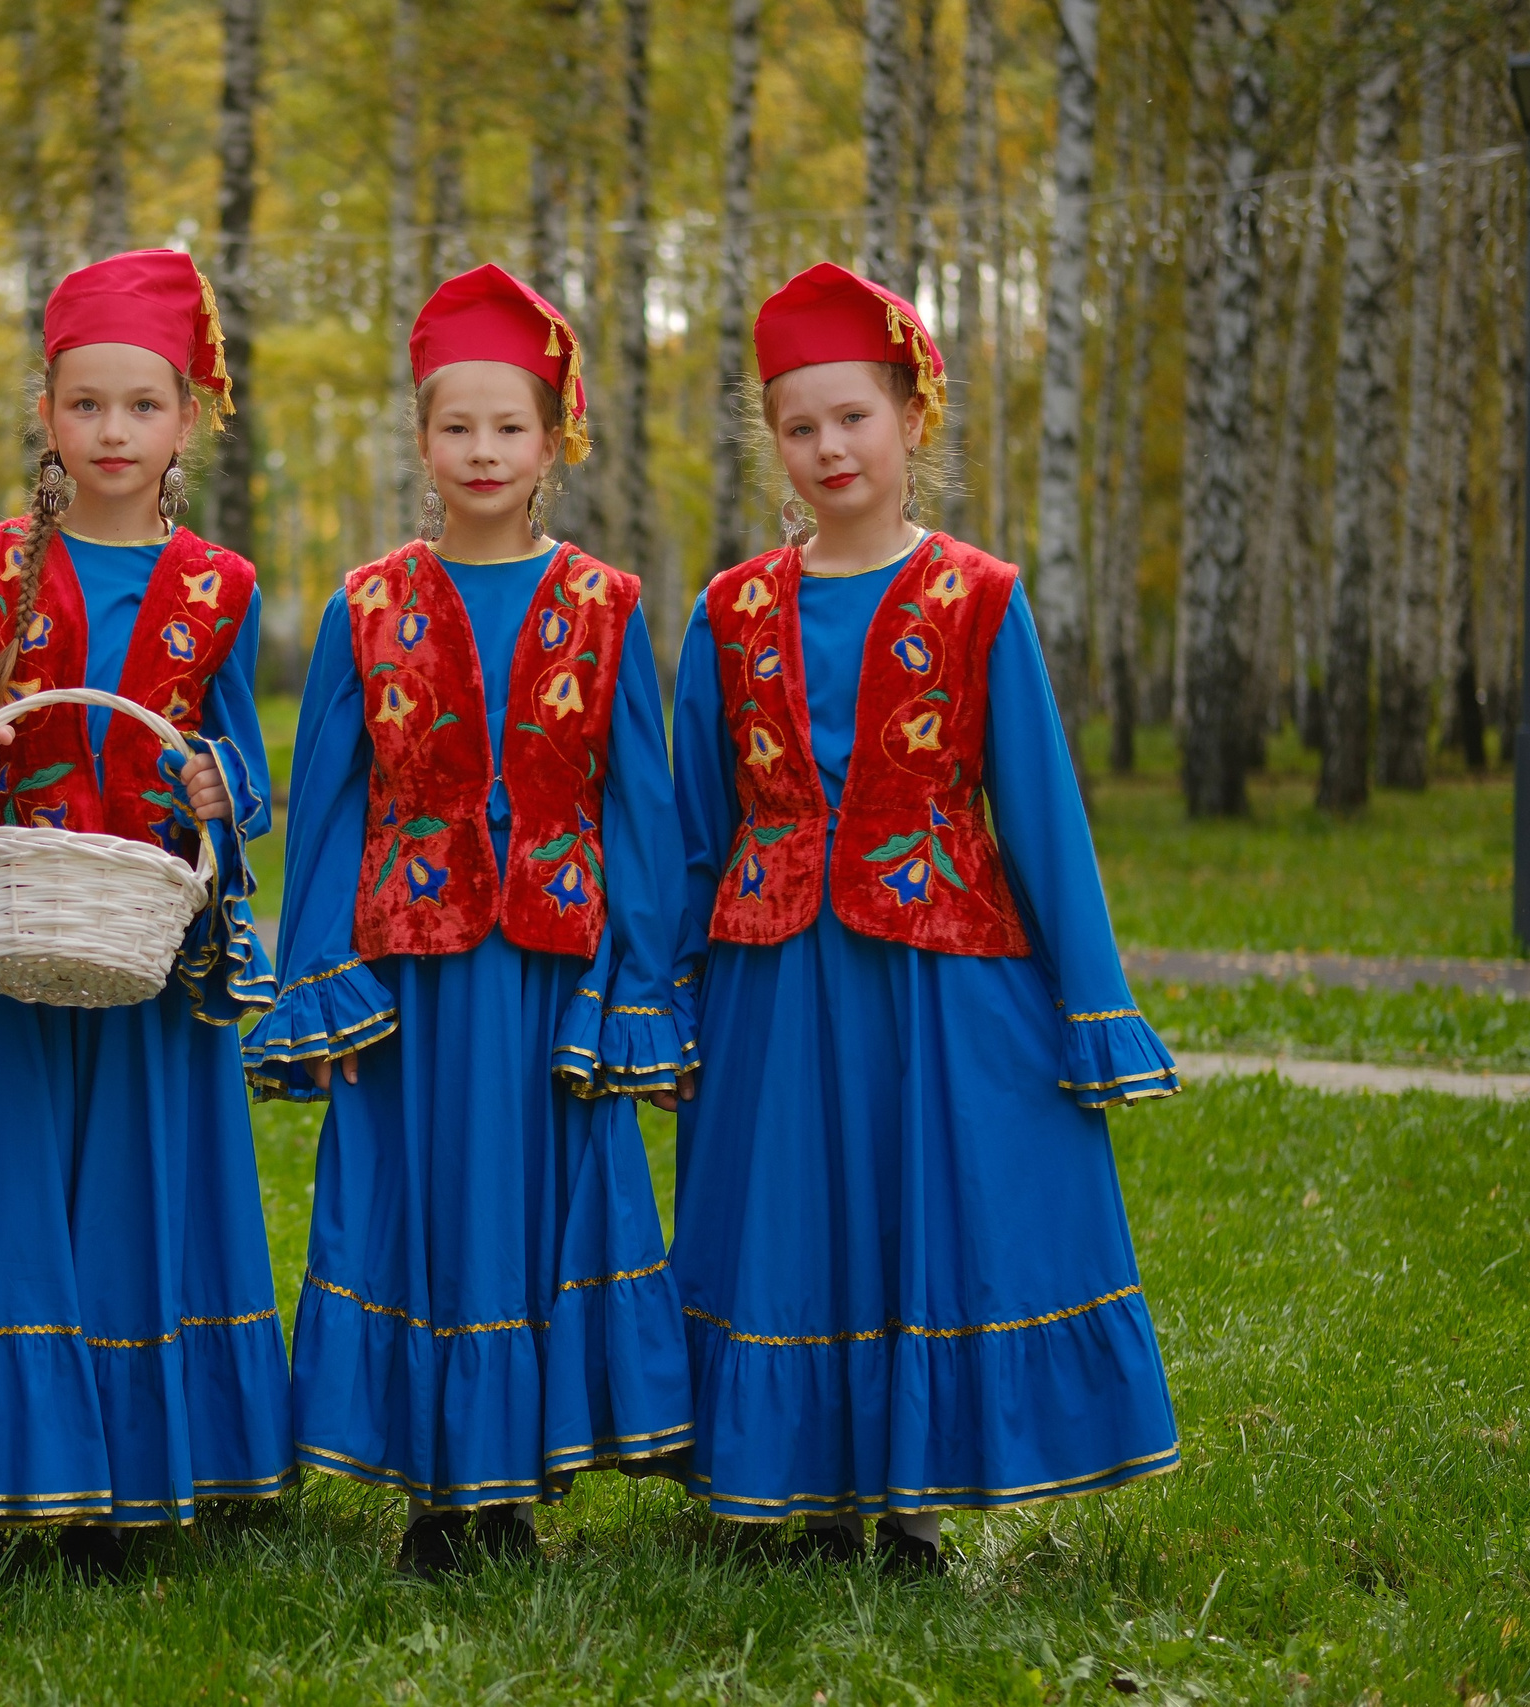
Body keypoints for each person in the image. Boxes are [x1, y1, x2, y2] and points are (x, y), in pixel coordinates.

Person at [666, 261, 1182, 1572]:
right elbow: (691, 831)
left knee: (924, 1216)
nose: (830, 447)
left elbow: (1041, 812)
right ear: (774, 441)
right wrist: (662, 994)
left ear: (913, 418)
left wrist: (1092, 1001)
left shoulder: (978, 597)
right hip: (773, 984)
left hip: (939, 978)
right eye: (800, 425)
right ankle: (789, 1489)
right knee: (792, 1222)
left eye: (855, 416)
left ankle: (913, 1503)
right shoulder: (729, 613)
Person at [244, 264, 695, 1577]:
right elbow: (331, 802)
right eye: (457, 426)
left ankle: (519, 1485)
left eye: (510, 426)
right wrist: (319, 975)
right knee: (423, 1205)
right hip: (415, 979)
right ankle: (439, 1495)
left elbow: (641, 802)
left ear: (555, 441)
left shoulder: (605, 606)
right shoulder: (369, 605)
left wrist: (642, 982)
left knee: (540, 1206)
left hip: (556, 973)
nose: (483, 450)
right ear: (423, 438)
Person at [0, 249, 287, 1579]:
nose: (112, 431)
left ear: (186, 421)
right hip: (11, 938)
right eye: (85, 403)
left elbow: (243, 769)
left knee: (144, 1191)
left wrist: (221, 787)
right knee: (10, 1191)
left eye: (142, 406)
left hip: (145, 942)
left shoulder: (219, 586)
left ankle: (132, 1487)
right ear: (45, 414)